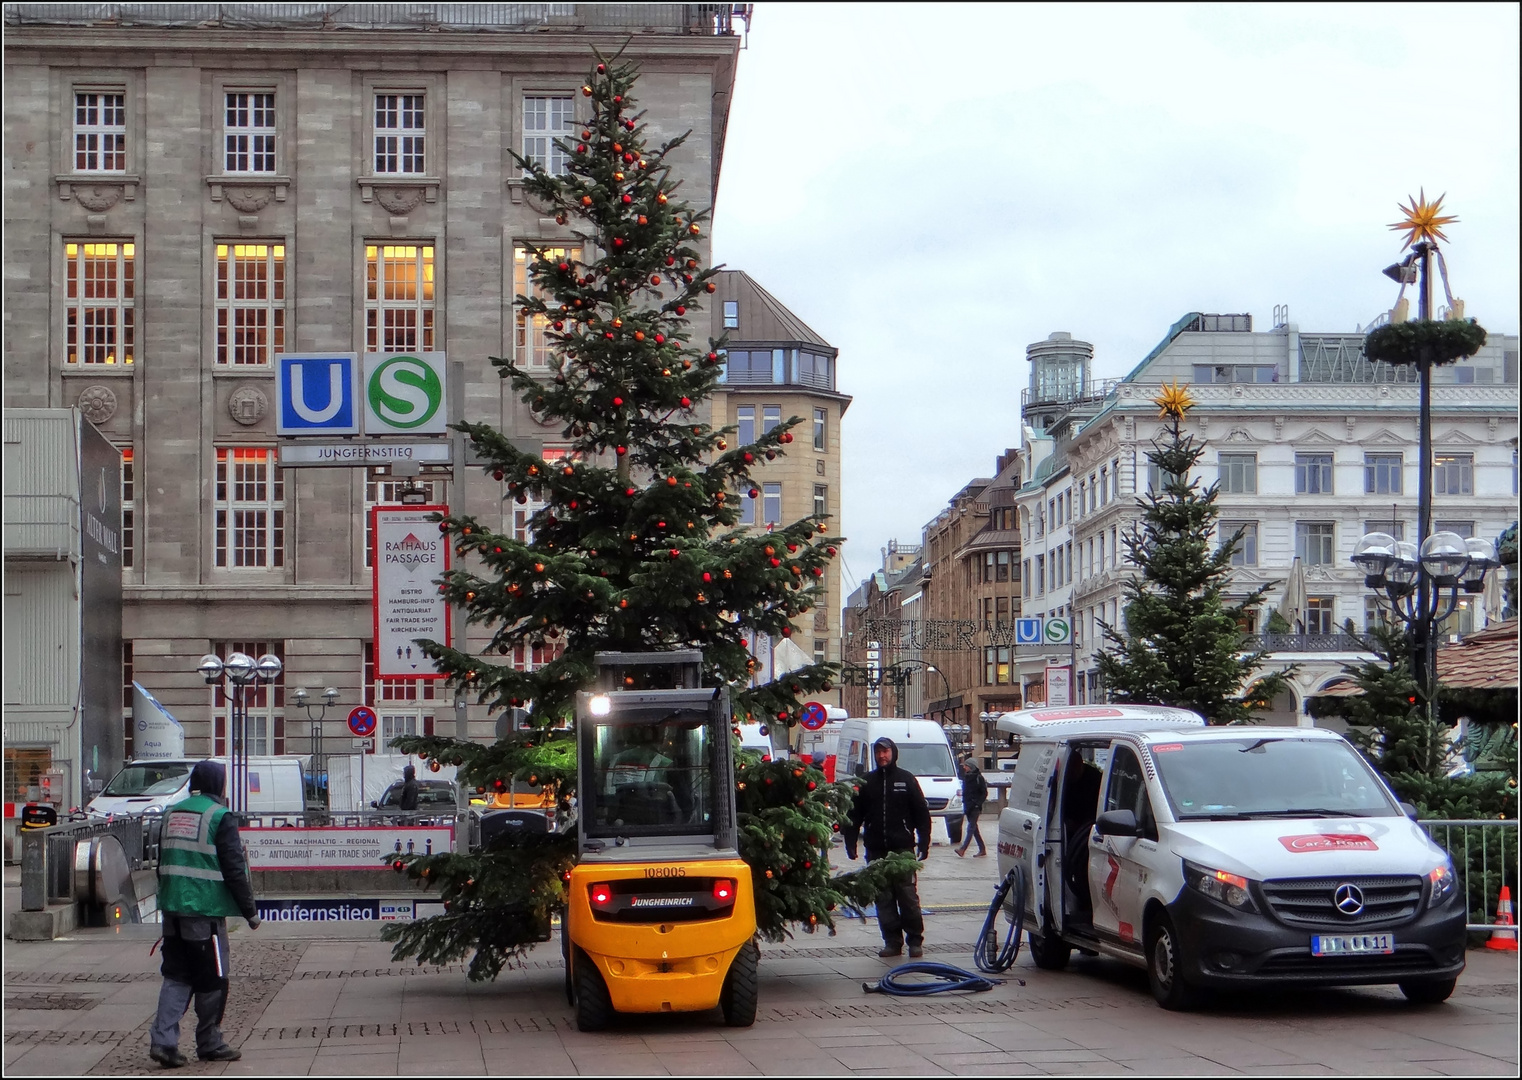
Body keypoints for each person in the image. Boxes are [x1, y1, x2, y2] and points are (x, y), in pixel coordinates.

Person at [149, 760, 259, 1068]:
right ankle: (209, 1041)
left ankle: (164, 1042)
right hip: (205, 911)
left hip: (172, 909)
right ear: (220, 786)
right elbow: (234, 868)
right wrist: (249, 911)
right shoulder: (220, 817)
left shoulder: (172, 813)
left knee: (176, 975)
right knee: (213, 978)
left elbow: (161, 861)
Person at [843, 737, 932, 959]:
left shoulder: (906, 780)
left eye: (886, 752)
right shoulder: (867, 782)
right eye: (878, 752)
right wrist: (850, 842)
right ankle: (892, 941)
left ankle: (914, 940)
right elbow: (854, 815)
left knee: (908, 897)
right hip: (875, 850)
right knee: (883, 899)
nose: (882, 756)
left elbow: (921, 812)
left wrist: (924, 841)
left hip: (902, 850)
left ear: (893, 753)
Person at [954, 754, 988, 858]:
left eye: (966, 765)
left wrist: (977, 804)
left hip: (975, 807)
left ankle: (963, 849)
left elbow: (984, 793)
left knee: (971, 828)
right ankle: (982, 849)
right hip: (968, 806)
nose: (964, 767)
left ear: (971, 766)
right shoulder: (966, 777)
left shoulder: (979, 778)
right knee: (974, 829)